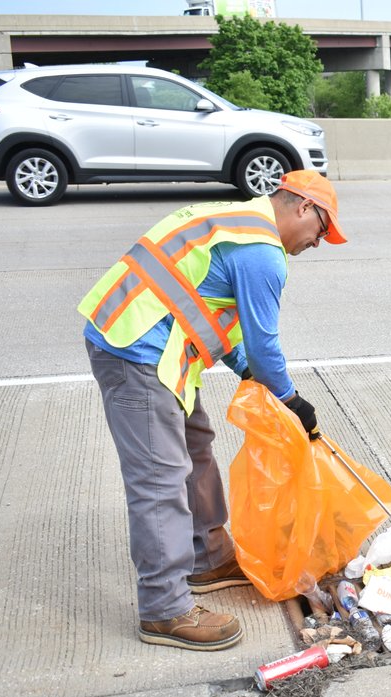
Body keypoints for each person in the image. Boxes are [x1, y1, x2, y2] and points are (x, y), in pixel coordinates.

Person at [79, 171, 347, 651]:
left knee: (195, 447)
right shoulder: (262, 251)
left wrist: (247, 372)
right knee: (160, 478)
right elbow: (265, 346)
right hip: (134, 351)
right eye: (322, 231)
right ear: (304, 207)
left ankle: (208, 558)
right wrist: (290, 400)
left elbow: (204, 310)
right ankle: (164, 609)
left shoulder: (237, 221)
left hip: (159, 350)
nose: (318, 243)